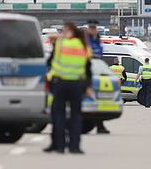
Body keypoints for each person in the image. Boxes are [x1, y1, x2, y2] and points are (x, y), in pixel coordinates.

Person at [45, 22, 92, 153]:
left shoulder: (61, 44)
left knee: (59, 115)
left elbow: (50, 58)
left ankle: (60, 146)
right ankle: (74, 146)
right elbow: (88, 67)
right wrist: (87, 86)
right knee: (76, 116)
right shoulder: (83, 45)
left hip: (60, 83)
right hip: (77, 84)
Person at [85, 20, 108, 134]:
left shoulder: (97, 39)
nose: (93, 30)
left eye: (94, 28)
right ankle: (98, 125)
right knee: (91, 100)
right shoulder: (86, 40)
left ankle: (100, 125)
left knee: (98, 100)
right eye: (91, 28)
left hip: (97, 71)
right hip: (87, 72)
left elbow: (100, 55)